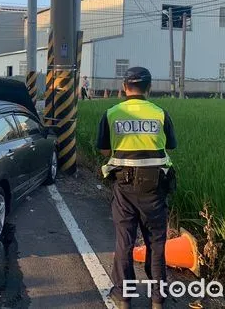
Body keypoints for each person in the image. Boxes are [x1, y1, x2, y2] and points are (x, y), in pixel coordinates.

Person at [95, 66, 177, 309]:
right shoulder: (160, 113)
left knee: (125, 242)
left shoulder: (112, 113)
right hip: (154, 188)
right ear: (149, 88)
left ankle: (122, 297)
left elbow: (103, 149)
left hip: (124, 186)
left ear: (124, 87)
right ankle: (158, 299)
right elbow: (170, 146)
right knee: (157, 243)